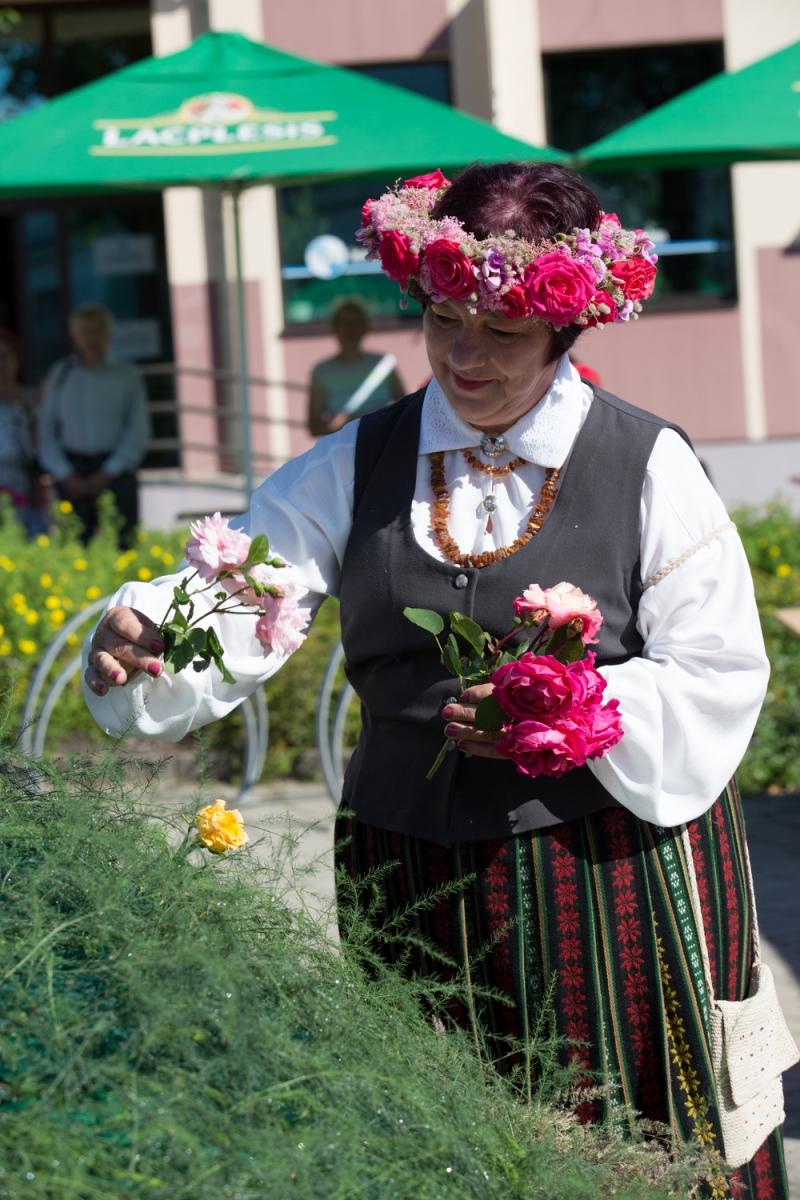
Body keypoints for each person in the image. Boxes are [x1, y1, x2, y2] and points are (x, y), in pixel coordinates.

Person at [81, 163, 788, 1197]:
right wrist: (158, 638)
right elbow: (246, 591)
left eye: (501, 334)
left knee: (624, 1146)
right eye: (445, 320)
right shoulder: (353, 462)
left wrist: (581, 711)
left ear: (563, 330)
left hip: (603, 870)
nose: (464, 356)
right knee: (432, 1145)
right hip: (404, 871)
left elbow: (720, 668)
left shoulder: (646, 466)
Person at [38, 303, 151, 546]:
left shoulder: (126, 374)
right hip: (72, 471)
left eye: (98, 331)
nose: (92, 338)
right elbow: (46, 432)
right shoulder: (61, 374)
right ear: (75, 336)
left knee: (126, 545)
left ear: (108, 334)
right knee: (73, 548)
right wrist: (65, 474)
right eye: (85, 332)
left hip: (116, 471)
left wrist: (107, 472)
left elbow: (138, 431)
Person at [308, 301, 404, 436]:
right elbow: (314, 427)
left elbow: (407, 409)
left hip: (385, 444)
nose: (351, 329)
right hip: (344, 450)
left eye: (356, 323)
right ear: (335, 327)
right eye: (346, 323)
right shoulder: (322, 371)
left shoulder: (384, 364)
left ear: (365, 327)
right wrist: (340, 424)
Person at [0, 328, 45, 534]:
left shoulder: (31, 400)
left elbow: (40, 449)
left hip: (23, 485)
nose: (1, 364)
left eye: (5, 356)